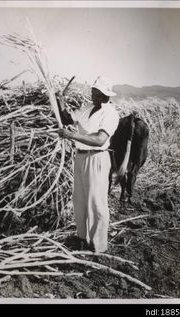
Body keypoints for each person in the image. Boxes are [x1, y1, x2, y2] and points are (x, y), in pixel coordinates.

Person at [57, 76, 119, 253]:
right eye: (93, 93)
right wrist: (60, 101)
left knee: (96, 202)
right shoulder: (88, 109)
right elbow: (69, 119)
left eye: (97, 94)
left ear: (106, 95)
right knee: (80, 200)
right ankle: (82, 238)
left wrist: (72, 136)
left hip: (97, 158)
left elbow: (100, 140)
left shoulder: (110, 114)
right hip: (81, 157)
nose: (93, 97)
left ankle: (98, 246)